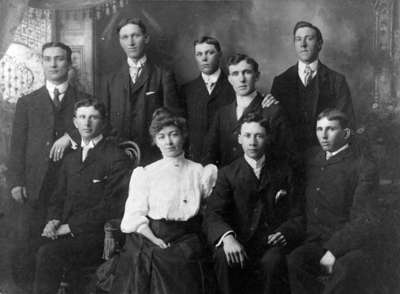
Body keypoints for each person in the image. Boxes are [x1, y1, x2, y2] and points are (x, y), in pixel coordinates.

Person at [7, 41, 89, 290]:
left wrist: (71, 136)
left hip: (69, 183)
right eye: (48, 59)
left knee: (58, 242)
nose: (53, 64)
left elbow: (99, 129)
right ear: (42, 63)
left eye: (60, 58)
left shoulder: (84, 99)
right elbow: (17, 146)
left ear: (70, 62)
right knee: (28, 240)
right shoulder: (28, 102)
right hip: (34, 183)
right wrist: (16, 182)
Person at [109, 108, 217, 294]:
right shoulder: (146, 173)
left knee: (182, 264)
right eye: (161, 137)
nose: (168, 142)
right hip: (151, 235)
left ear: (183, 136)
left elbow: (209, 212)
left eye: (174, 135)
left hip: (187, 237)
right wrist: (154, 239)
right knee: (156, 262)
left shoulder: (200, 171)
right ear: (155, 141)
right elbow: (135, 214)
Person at [32, 99, 131, 294]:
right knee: (29, 245)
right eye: (82, 117)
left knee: (47, 253)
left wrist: (69, 227)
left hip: (97, 235)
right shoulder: (71, 159)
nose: (87, 123)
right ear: (75, 122)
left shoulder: (115, 156)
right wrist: (52, 221)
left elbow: (113, 206)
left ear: (103, 122)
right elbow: (57, 197)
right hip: (64, 231)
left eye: (93, 117)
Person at [204, 112, 303, 294]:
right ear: (239, 139)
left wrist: (285, 231)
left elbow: (297, 215)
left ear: (268, 138)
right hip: (238, 240)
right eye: (248, 136)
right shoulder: (228, 173)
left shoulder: (284, 171)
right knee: (223, 257)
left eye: (259, 136)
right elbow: (213, 213)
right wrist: (227, 237)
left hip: (269, 244)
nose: (252, 142)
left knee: (273, 263)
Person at [287, 109, 379, 294]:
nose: (323, 135)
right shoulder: (312, 158)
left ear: (345, 133)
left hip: (350, 244)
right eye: (319, 129)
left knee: (344, 269)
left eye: (330, 129)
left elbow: (364, 220)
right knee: (295, 260)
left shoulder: (362, 166)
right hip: (316, 240)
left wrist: (333, 250)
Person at [101, 18, 181, 165]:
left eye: (135, 36)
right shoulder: (110, 80)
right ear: (120, 41)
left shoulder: (163, 75)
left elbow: (172, 120)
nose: (130, 42)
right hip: (118, 156)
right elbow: (103, 121)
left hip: (153, 156)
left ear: (146, 38)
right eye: (125, 37)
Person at [270, 21, 355, 152]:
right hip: (290, 158)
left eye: (309, 39)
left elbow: (346, 123)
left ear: (320, 44)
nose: (303, 44)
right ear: (294, 44)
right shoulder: (281, 82)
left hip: (325, 158)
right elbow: (274, 127)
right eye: (298, 40)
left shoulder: (337, 81)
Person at [203, 53, 293, 167]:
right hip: (227, 181)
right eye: (235, 74)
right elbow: (209, 153)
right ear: (230, 79)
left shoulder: (272, 111)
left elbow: (286, 155)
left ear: (257, 76)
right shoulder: (222, 113)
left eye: (247, 72)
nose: (241, 79)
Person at [180, 36, 235, 162]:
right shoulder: (186, 90)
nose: (204, 58)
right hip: (196, 160)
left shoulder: (234, 86)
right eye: (199, 54)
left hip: (227, 160)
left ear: (219, 55)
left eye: (210, 53)